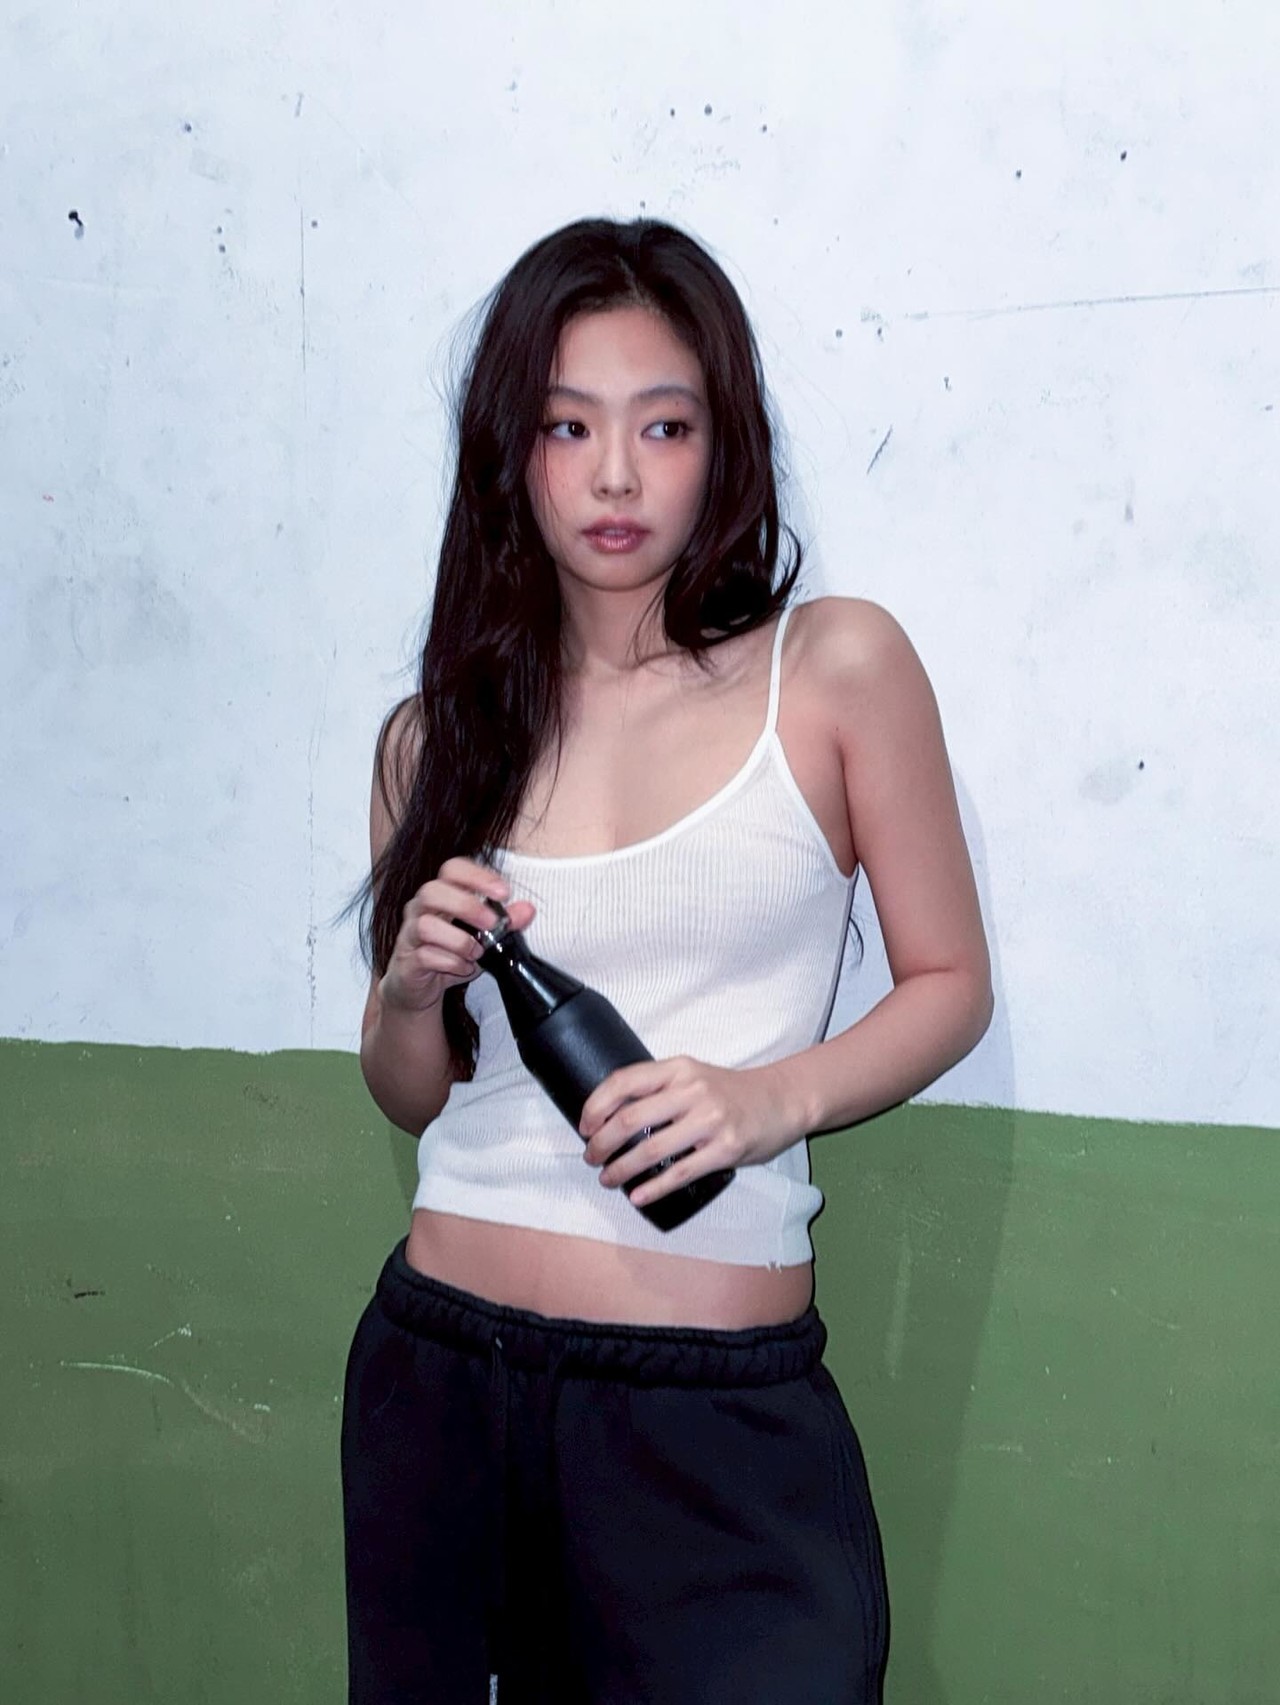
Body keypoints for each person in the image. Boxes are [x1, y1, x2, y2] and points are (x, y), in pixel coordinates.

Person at [343, 216, 992, 1705]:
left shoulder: (832, 668)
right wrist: (408, 990)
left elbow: (950, 984)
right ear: (511, 453)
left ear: (724, 445)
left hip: (712, 1425)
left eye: (664, 425)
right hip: (439, 1385)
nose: (617, 477)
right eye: (567, 426)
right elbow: (409, 1094)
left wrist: (765, 1100)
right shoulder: (433, 739)